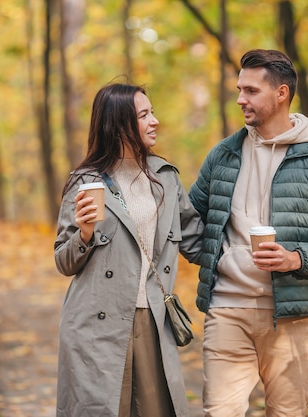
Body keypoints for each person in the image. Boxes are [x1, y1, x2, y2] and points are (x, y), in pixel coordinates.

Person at [188, 49, 308, 416]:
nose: (240, 99)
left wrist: (296, 258)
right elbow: (191, 221)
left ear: (281, 93)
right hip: (227, 308)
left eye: (250, 90)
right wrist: (212, 256)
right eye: (239, 89)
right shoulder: (223, 155)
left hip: (292, 316)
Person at [54, 83, 204, 417]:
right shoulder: (86, 182)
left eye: (152, 112)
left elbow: (197, 243)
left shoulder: (165, 177)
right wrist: (86, 232)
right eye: (144, 115)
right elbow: (63, 261)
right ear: (119, 125)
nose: (155, 121)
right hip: (96, 326)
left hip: (152, 319)